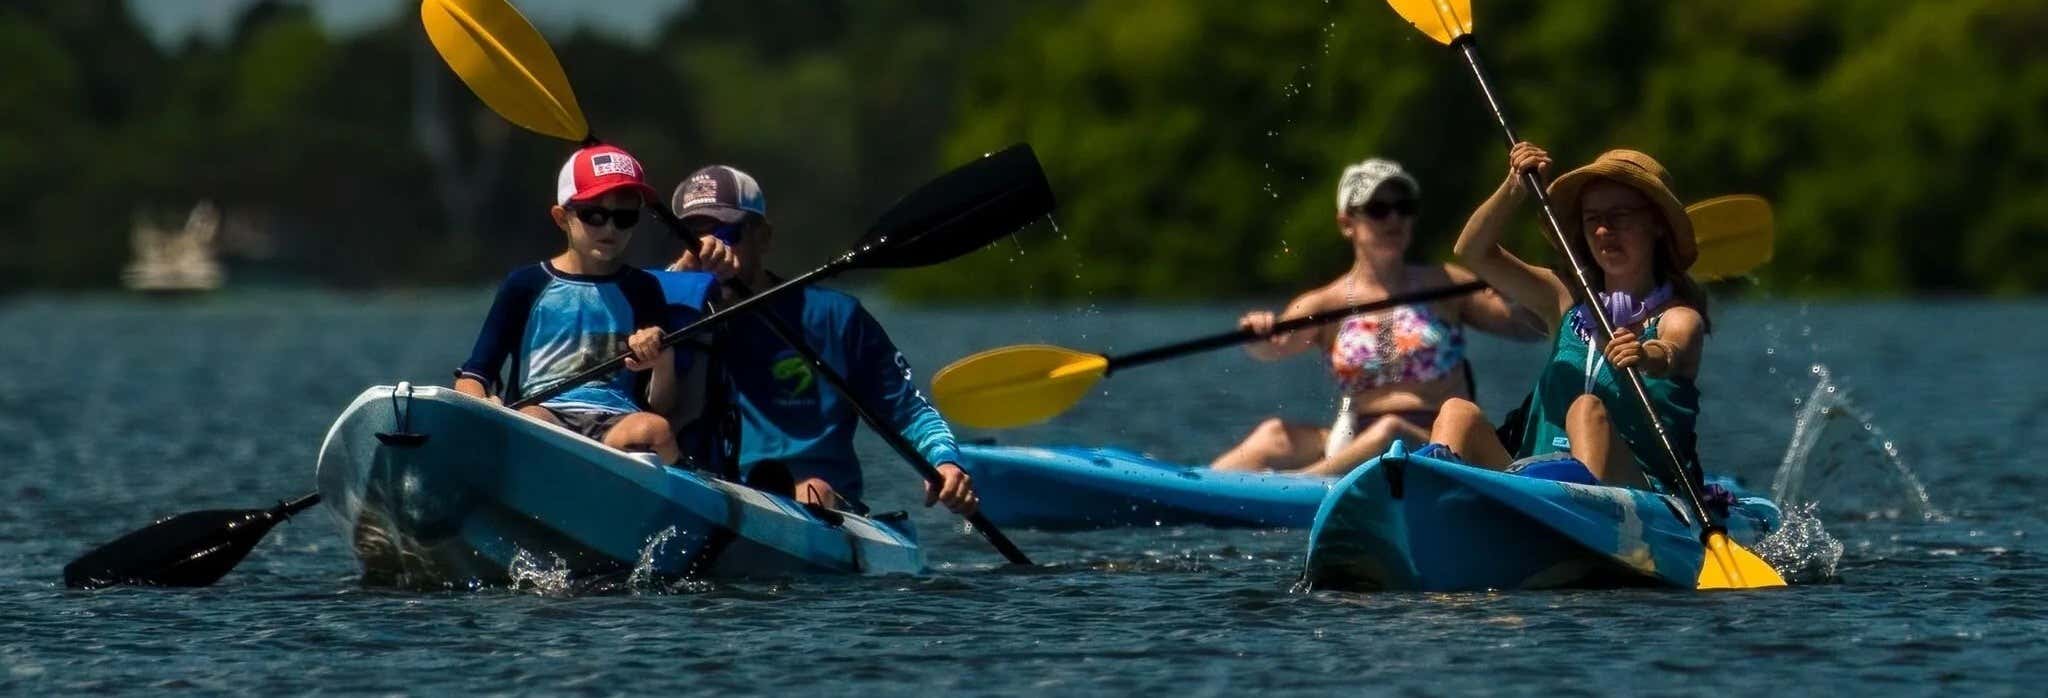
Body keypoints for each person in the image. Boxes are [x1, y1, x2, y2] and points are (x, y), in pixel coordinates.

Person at [663, 165, 978, 516]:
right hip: (710, 493)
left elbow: (910, 412)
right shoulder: (668, 313)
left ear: (763, 237)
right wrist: (682, 280)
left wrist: (946, 462)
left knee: (815, 491)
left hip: (820, 503)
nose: (710, 251)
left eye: (725, 233)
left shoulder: (836, 318)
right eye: (693, 238)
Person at [1210, 158, 1540, 477]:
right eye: (1378, 210)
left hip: (1438, 443)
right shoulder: (1327, 301)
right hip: (1354, 440)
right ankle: (1189, 485)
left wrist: (1523, 287)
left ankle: (1296, 486)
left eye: (1404, 207)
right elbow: (1272, 347)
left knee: (1390, 432)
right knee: (1273, 435)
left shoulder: (1445, 283)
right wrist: (1256, 332)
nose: (1393, 219)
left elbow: (1525, 326)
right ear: (1346, 223)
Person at [1426, 142, 1712, 489]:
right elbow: (1471, 252)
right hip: (1535, 487)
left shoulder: (1677, 317)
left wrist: (1645, 354)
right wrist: (1515, 187)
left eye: (1619, 216)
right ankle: (1430, 497)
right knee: (1458, 412)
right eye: (1593, 218)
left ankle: (1575, 503)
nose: (1604, 230)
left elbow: (1671, 351)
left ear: (1656, 224)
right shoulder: (1563, 298)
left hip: (1637, 493)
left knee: (1586, 410)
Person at [453, 143, 736, 464]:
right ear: (562, 217)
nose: (610, 228)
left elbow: (662, 405)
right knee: (531, 418)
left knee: (655, 429)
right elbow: (473, 376)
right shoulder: (525, 285)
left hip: (617, 424)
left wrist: (661, 360)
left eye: (624, 217)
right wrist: (483, 406)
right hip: (545, 416)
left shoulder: (643, 289)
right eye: (594, 215)